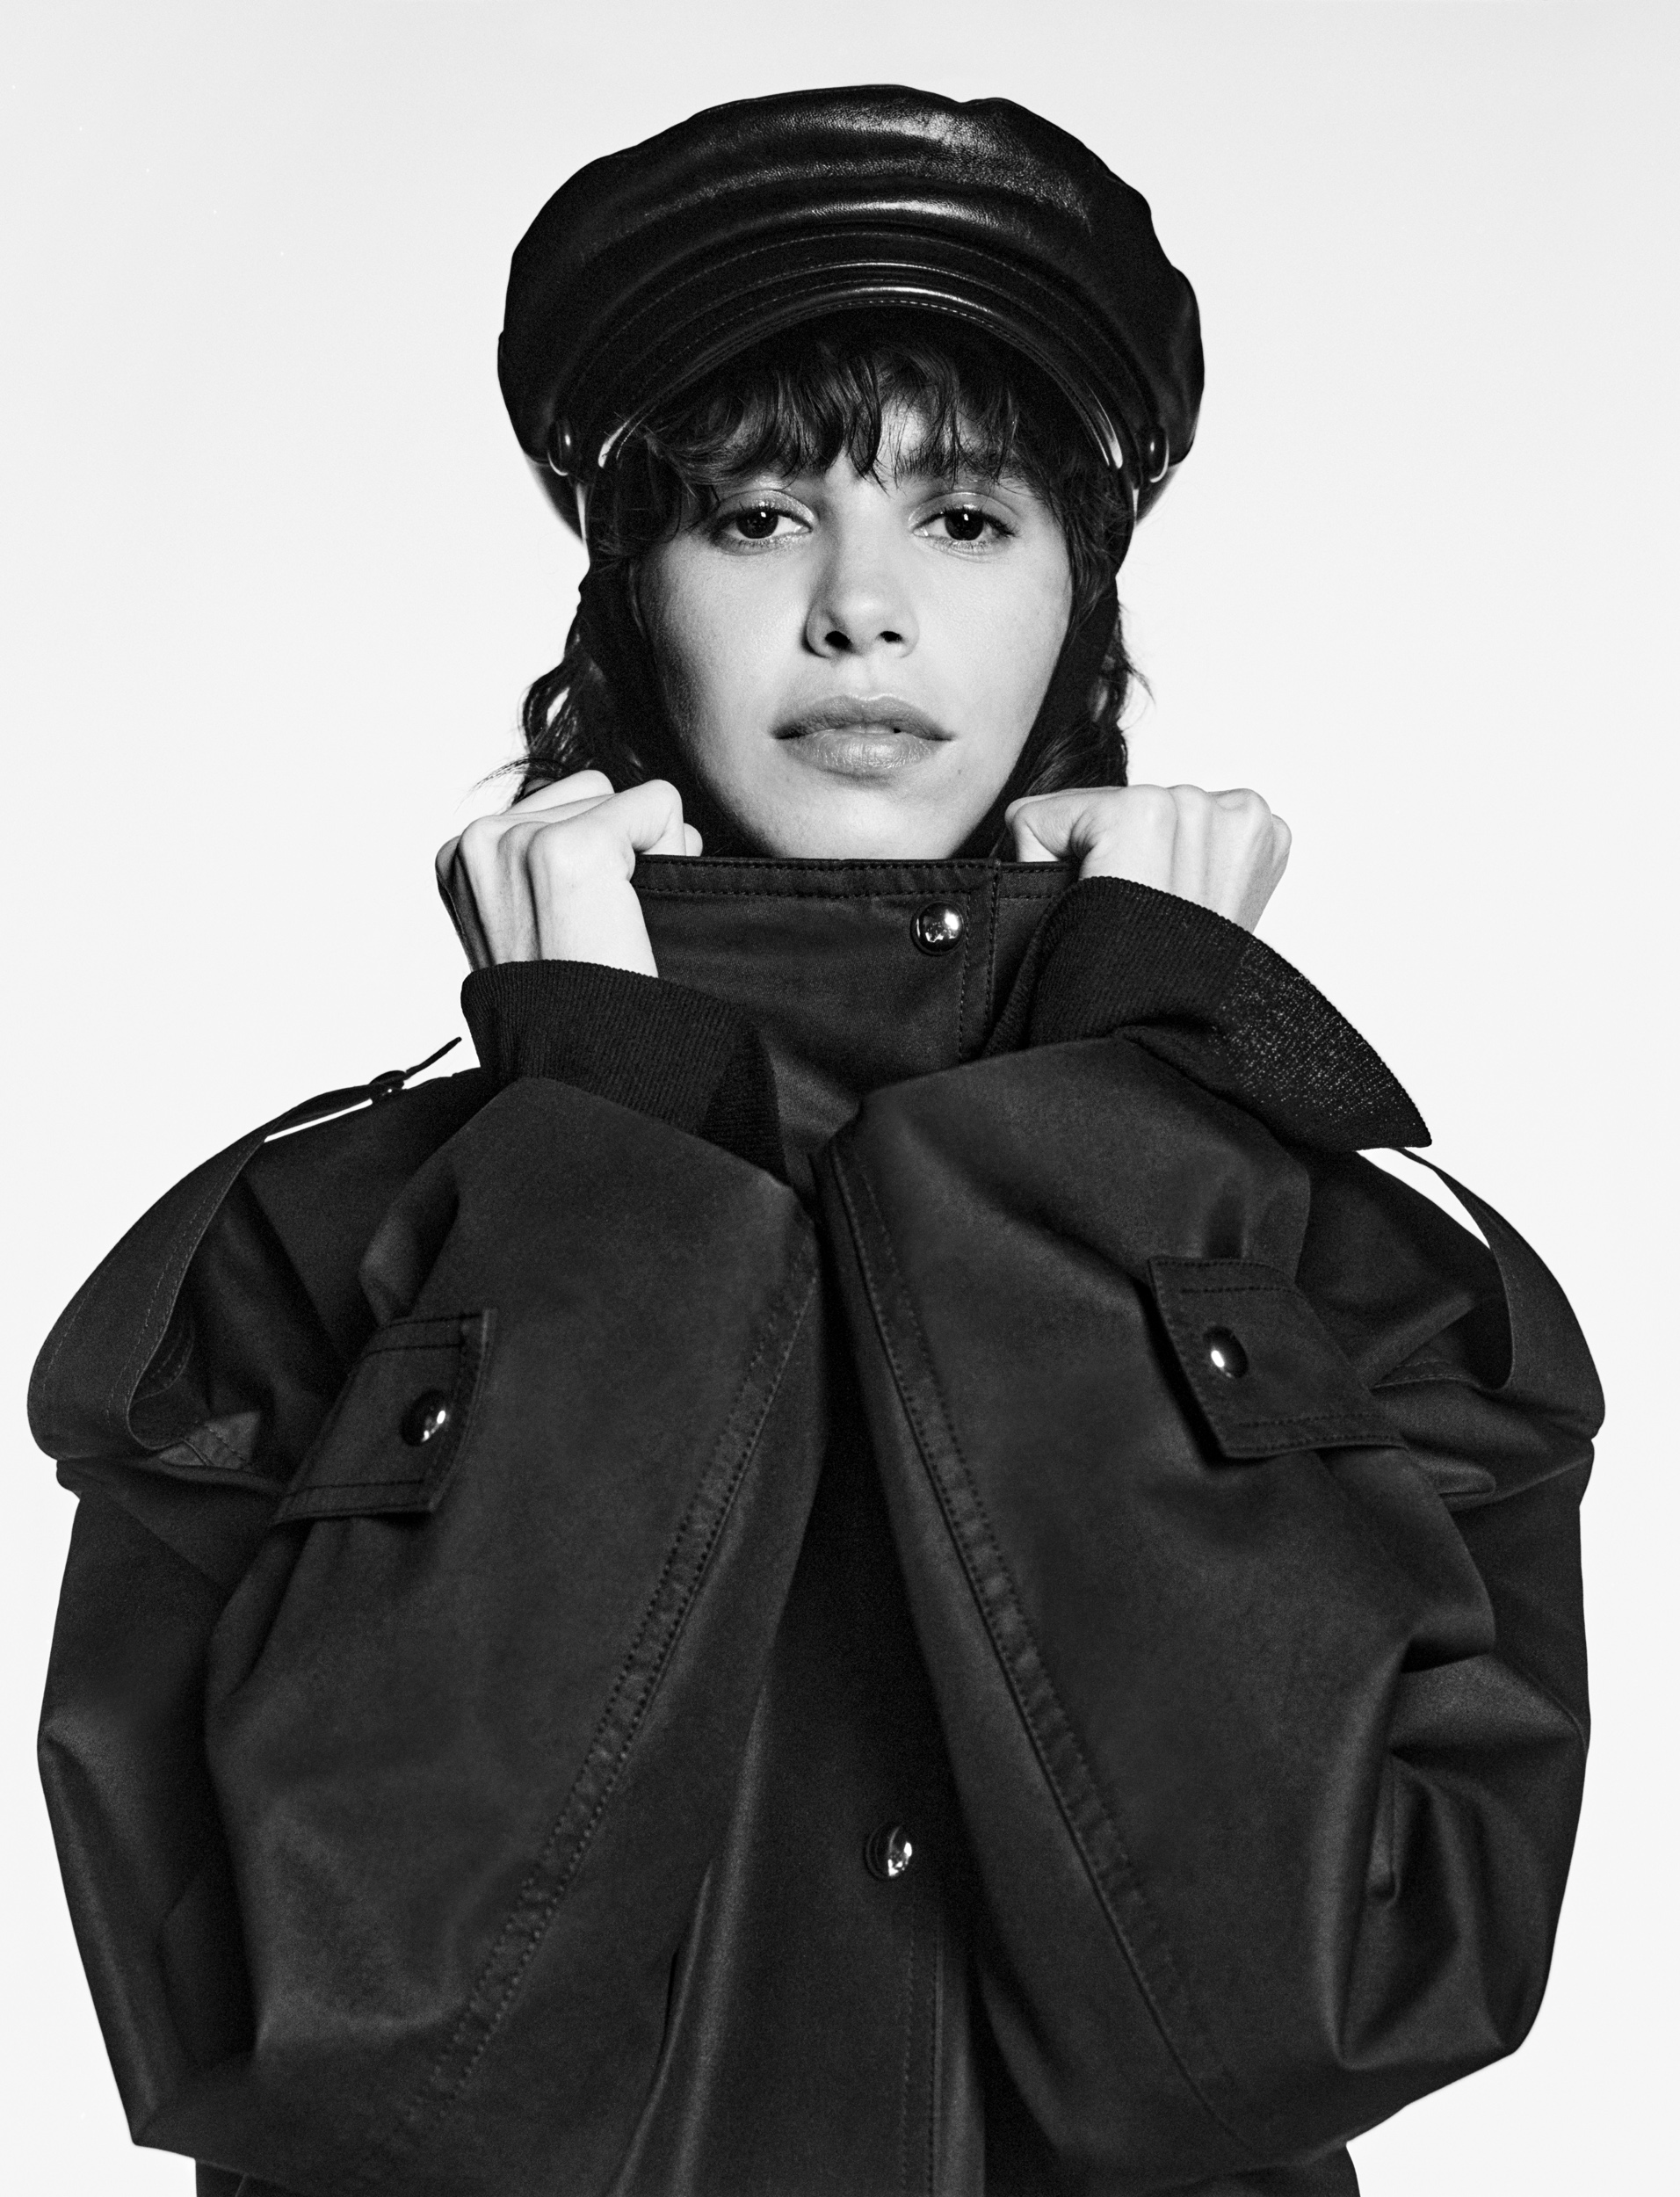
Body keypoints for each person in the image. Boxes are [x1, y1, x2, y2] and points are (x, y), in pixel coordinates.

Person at [30, 87, 1602, 2197]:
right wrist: (593, 1151)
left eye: (963, 518)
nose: (859, 607)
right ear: (629, 590)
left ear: (1080, 595)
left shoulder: (1360, 1268)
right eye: (759, 513)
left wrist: (1124, 1142)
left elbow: (1273, 2023)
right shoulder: (303, 1252)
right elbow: (360, 2065)